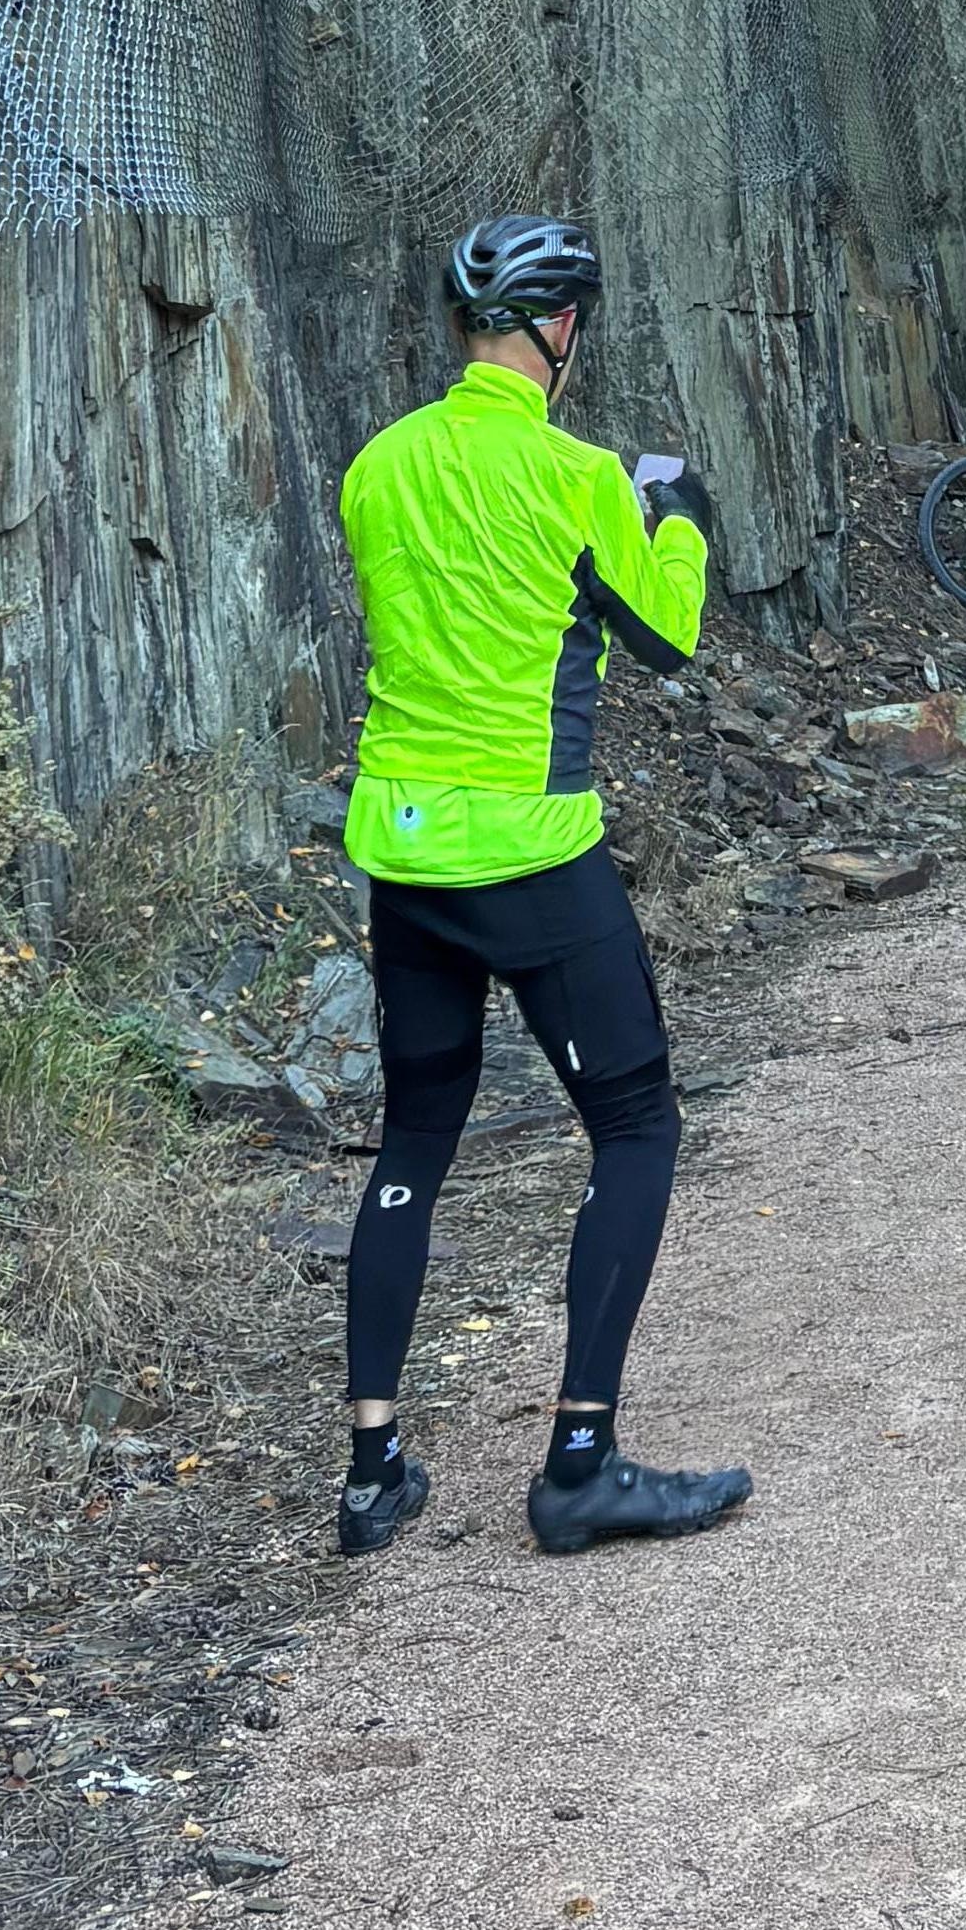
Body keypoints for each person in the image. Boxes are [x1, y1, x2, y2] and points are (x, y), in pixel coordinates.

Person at [328, 213, 753, 1565]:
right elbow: (666, 636)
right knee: (635, 1126)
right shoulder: (578, 478)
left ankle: (374, 1466)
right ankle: (581, 1460)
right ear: (563, 332)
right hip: (532, 851)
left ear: (465, 327)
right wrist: (671, 520)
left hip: (405, 857)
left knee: (415, 1139)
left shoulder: (376, 470)